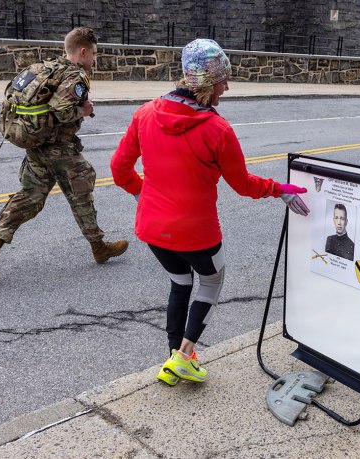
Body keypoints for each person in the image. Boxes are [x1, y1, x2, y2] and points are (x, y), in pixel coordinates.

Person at [110, 39, 310, 386]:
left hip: (153, 228)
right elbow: (243, 185)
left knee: (179, 282)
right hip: (197, 233)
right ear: (206, 82)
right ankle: (185, 354)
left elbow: (119, 170)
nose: (227, 86)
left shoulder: (145, 114)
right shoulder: (218, 130)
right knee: (212, 281)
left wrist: (149, 194)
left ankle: (175, 358)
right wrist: (280, 190)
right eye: (223, 80)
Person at [0, 27, 128, 282]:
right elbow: (62, 111)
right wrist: (84, 111)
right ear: (83, 52)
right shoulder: (76, 75)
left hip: (36, 145)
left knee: (30, 197)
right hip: (59, 148)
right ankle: (99, 247)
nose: (95, 60)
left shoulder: (46, 68)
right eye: (95, 54)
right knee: (81, 192)